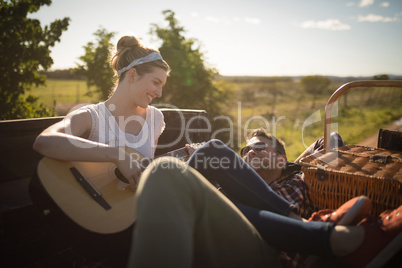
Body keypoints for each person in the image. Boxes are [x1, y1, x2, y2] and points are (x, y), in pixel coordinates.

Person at [128, 147, 402, 267]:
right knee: (186, 162)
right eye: (247, 150)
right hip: (227, 234)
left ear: (284, 160)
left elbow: (327, 144)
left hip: (270, 254)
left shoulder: (297, 180)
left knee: (169, 168)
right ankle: (316, 231)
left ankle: (317, 231)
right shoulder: (236, 186)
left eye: (262, 148)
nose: (251, 153)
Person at [33, 35, 170, 191]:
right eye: (156, 82)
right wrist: (116, 155)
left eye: (162, 86)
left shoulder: (155, 118)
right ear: (132, 75)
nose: (159, 93)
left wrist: (188, 160)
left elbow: (144, 174)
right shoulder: (93, 117)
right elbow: (44, 142)